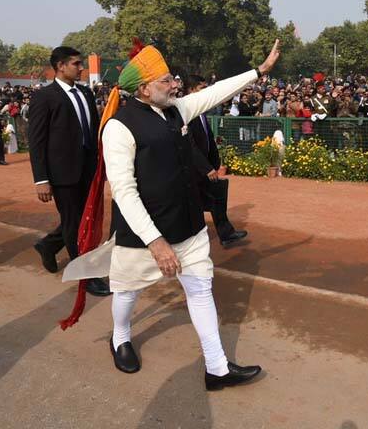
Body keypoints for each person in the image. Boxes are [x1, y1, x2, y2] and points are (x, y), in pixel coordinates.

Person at [65, 39, 280, 390]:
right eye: (166, 80)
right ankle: (120, 338)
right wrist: (156, 242)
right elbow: (124, 192)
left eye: (172, 79)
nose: (174, 84)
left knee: (200, 290)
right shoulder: (119, 127)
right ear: (145, 89)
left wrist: (259, 71)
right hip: (142, 236)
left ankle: (217, 369)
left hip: (189, 226)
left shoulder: (176, 109)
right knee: (129, 291)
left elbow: (215, 93)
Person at [27, 47, 110, 297]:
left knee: (81, 218)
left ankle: (48, 245)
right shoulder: (45, 97)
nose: (81, 67)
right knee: (75, 223)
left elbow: (93, 130)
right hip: (62, 174)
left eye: (81, 63)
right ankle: (85, 275)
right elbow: (36, 141)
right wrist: (41, 179)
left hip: (88, 169)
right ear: (60, 66)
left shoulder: (85, 92)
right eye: (76, 64)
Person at [185, 74, 248, 247]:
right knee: (191, 205)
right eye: (201, 88)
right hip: (193, 170)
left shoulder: (201, 111)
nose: (205, 92)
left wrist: (215, 162)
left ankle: (226, 234)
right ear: (191, 90)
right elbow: (190, 146)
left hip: (205, 167)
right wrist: (206, 168)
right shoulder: (187, 112)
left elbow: (208, 137)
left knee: (218, 195)